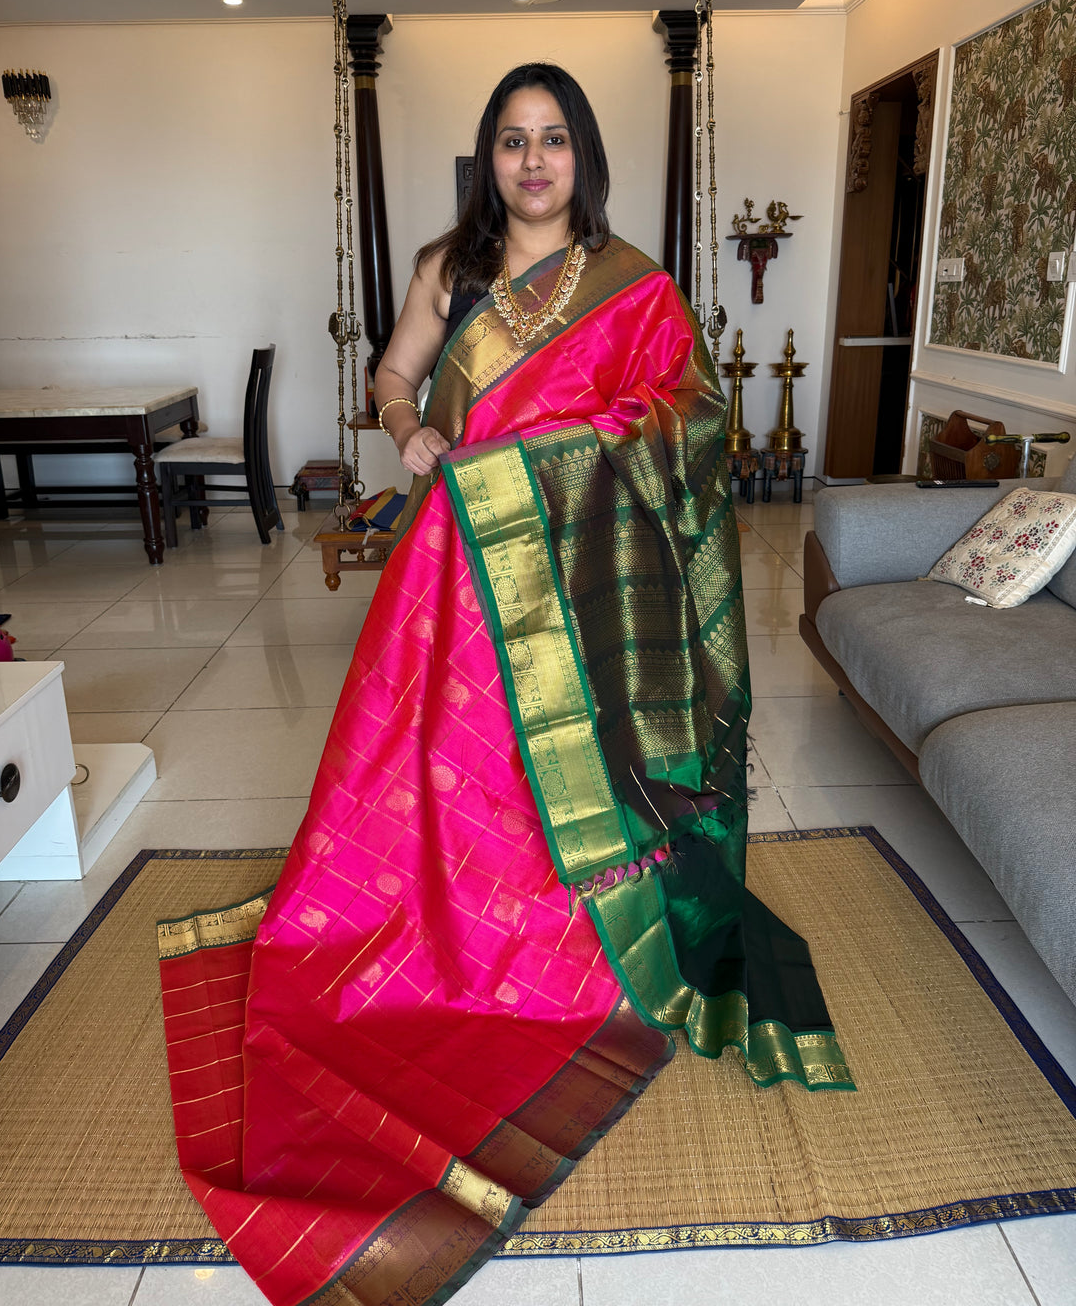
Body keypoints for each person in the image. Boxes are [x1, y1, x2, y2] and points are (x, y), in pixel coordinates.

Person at [158, 63, 852, 1306]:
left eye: (554, 141)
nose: (534, 162)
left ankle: (577, 945)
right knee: (437, 765)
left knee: (568, 766)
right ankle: (442, 927)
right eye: (512, 142)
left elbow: (691, 421)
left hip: (584, 579)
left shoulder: (635, 284)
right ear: (490, 158)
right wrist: (409, 427)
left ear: (582, 154)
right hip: (458, 568)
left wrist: (580, 449)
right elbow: (391, 380)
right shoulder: (449, 269)